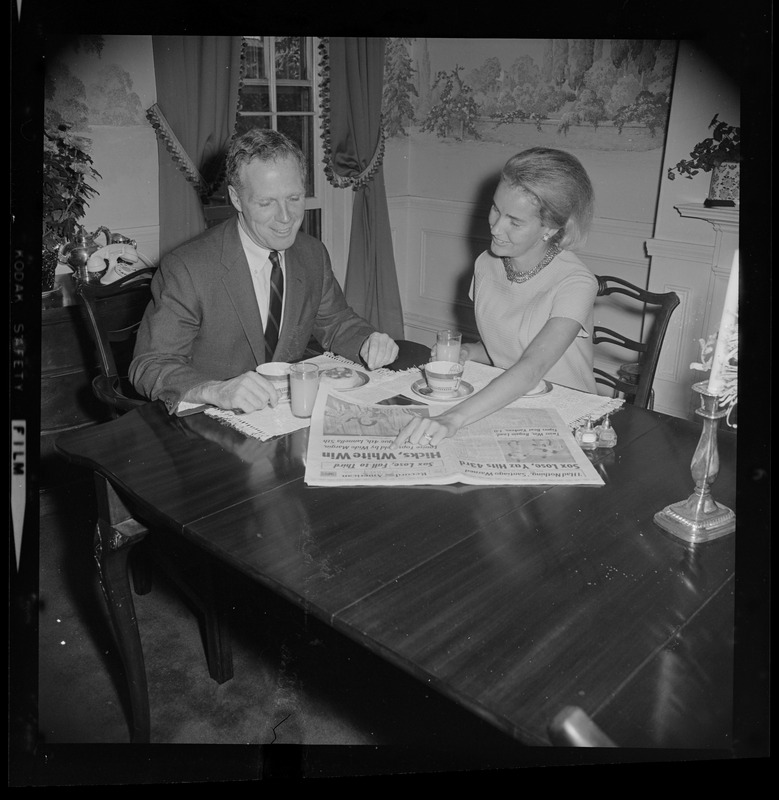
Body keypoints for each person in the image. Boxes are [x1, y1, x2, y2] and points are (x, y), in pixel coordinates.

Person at [130, 129, 398, 414]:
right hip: (210, 422)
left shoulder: (312, 254)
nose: (285, 217)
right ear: (236, 198)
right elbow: (150, 365)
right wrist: (216, 390)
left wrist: (369, 341)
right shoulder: (188, 268)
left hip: (285, 416)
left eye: (294, 198)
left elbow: (336, 321)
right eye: (266, 202)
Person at [393, 146, 596, 448]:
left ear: (550, 228)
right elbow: (505, 351)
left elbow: (532, 367)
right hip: (509, 404)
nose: (496, 227)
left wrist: (453, 418)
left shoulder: (576, 283)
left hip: (569, 420)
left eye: (515, 222)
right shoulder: (486, 264)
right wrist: (468, 353)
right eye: (496, 210)